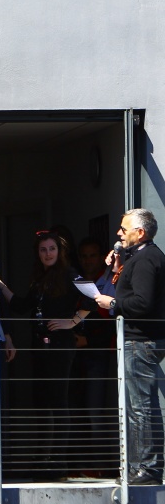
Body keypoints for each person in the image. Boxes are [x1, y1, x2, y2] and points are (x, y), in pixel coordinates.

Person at [0, 231, 95, 480]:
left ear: (60, 251)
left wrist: (71, 322)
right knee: (41, 404)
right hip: (39, 346)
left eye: (51, 249)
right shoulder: (40, 277)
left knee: (58, 403)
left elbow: (94, 300)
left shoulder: (70, 273)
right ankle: (42, 460)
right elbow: (20, 305)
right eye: (43, 250)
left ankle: (58, 463)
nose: (48, 254)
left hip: (61, 347)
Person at [95, 208, 165, 485]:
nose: (119, 234)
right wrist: (116, 268)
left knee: (141, 407)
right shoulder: (139, 257)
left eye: (124, 229)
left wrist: (112, 304)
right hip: (137, 339)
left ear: (141, 232)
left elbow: (142, 303)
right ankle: (140, 467)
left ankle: (148, 468)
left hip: (141, 340)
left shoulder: (147, 259)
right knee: (138, 407)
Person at [72, 236, 117, 476]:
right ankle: (87, 464)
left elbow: (112, 321)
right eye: (84, 256)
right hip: (78, 356)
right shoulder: (80, 281)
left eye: (92, 255)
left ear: (101, 257)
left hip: (99, 354)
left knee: (96, 412)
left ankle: (103, 467)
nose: (88, 260)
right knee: (80, 411)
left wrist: (87, 340)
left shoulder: (108, 280)